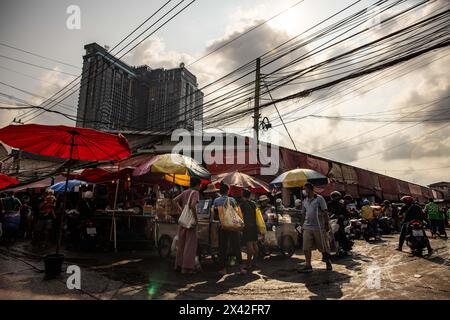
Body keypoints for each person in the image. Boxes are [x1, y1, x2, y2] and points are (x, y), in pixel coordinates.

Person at [213, 183, 247, 275]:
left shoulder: (216, 201)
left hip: (222, 226)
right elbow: (236, 212)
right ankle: (240, 268)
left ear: (220, 191)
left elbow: (215, 215)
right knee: (236, 246)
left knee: (222, 248)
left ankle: (223, 269)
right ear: (228, 191)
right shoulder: (232, 200)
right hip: (232, 226)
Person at [298, 183, 332, 273]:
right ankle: (308, 265)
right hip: (307, 227)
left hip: (319, 227)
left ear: (310, 189)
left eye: (305, 189)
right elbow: (303, 214)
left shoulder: (319, 199)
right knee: (306, 247)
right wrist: (301, 226)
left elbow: (325, 211)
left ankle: (328, 262)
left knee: (323, 246)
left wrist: (326, 224)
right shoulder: (304, 201)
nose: (304, 191)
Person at [173, 177, 201, 275]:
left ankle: (178, 265)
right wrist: (196, 219)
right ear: (197, 184)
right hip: (190, 223)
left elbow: (174, 200)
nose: (200, 186)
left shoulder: (185, 192)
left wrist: (181, 211)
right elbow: (193, 206)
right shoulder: (196, 193)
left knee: (181, 244)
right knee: (190, 245)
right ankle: (187, 268)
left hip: (183, 221)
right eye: (200, 184)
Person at [240, 189, 258, 269]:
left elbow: (241, 216)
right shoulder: (253, 204)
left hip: (247, 226)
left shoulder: (243, 204)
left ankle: (248, 263)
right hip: (254, 225)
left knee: (249, 245)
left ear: (243, 195)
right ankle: (254, 262)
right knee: (255, 244)